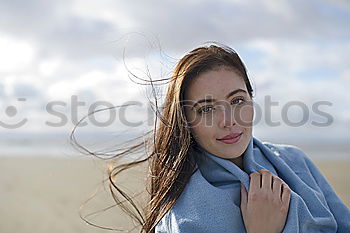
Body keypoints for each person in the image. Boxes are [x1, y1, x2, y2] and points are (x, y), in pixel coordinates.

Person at [75, 43, 350, 233]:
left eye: (238, 100)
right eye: (206, 109)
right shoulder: (184, 216)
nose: (229, 120)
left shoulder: (294, 160)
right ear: (186, 121)